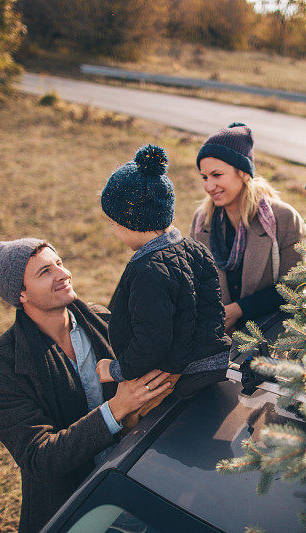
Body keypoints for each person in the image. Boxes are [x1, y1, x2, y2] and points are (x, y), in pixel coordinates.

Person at [0, 238, 172, 533]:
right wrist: (116, 409)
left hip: (138, 485)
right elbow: (40, 458)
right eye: (44, 272)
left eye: (59, 264)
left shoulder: (102, 321)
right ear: (21, 294)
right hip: (74, 508)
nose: (63, 274)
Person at [99, 145, 231, 426]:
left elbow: (152, 341)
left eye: (113, 223)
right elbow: (211, 310)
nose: (113, 230)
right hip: (209, 362)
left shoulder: (147, 271)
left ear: (128, 222)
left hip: (174, 377)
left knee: (130, 425)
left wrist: (117, 369)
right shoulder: (196, 249)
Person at [190, 122, 306, 337]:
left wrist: (239, 310)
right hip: (216, 334)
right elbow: (196, 283)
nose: (208, 186)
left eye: (217, 175)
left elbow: (296, 286)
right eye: (204, 177)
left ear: (243, 173)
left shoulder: (283, 219)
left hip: (272, 335)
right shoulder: (202, 221)